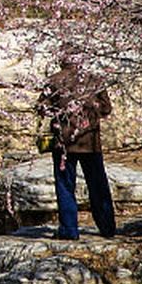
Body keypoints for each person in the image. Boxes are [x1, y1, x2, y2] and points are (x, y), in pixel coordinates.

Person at [39, 54, 115, 240]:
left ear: (62, 60)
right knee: (98, 184)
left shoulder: (54, 81)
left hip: (64, 144)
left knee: (65, 186)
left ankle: (69, 229)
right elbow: (106, 109)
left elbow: (42, 108)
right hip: (90, 142)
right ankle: (107, 227)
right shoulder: (94, 80)